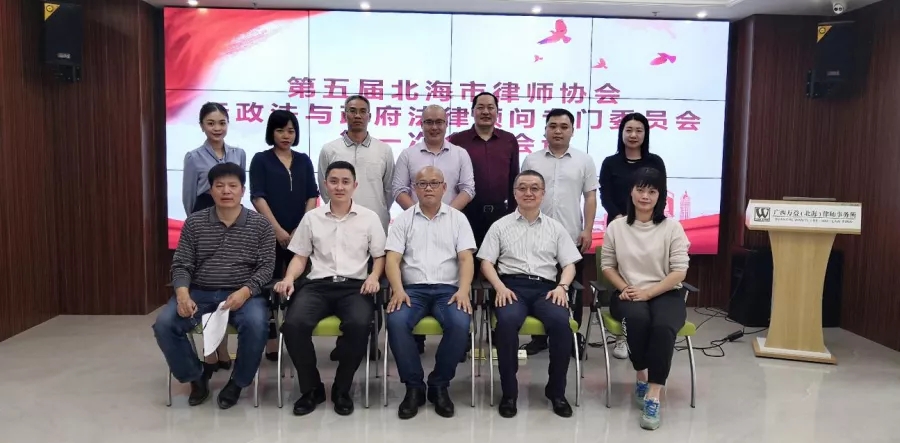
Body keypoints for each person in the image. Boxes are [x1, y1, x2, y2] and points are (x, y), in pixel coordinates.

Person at [154, 162, 275, 409]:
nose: (226, 191)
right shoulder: (194, 223)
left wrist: (245, 292)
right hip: (200, 292)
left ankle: (238, 382)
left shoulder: (261, 225)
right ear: (210, 191)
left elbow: (265, 268)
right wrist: (183, 294)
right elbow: (181, 264)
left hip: (244, 294)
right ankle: (195, 377)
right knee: (165, 324)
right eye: (219, 186)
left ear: (243, 190)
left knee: (256, 324)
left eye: (232, 186)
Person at [275, 161, 386, 417]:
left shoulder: (369, 218)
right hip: (317, 286)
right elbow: (300, 256)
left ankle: (342, 388)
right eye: (334, 181)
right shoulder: (312, 218)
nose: (339, 187)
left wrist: (374, 276)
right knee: (293, 325)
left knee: (360, 324)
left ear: (355, 185)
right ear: (325, 185)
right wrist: (289, 277)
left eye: (345, 182)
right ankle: (311, 388)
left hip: (355, 287)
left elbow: (379, 256)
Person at [477, 170, 582, 419]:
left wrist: (562, 287)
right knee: (506, 323)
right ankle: (509, 393)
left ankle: (556, 392)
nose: (528, 193)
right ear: (514, 193)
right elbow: (486, 263)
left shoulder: (555, 228)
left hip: (547, 289)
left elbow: (569, 264)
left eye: (535, 188)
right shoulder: (500, 226)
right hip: (511, 288)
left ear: (543, 194)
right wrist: (499, 287)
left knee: (561, 324)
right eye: (522, 188)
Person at [600, 167, 690, 431]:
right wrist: (625, 288)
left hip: (665, 292)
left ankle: (653, 395)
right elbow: (607, 266)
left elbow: (679, 271)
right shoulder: (616, 227)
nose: (645, 196)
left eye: (652, 191)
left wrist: (648, 293)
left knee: (663, 327)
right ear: (631, 192)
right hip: (628, 292)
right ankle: (641, 374)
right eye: (640, 189)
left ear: (660, 195)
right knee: (637, 320)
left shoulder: (672, 228)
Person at [384, 166, 476, 420]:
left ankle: (439, 385)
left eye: (434, 183)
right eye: (422, 183)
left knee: (460, 323)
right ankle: (414, 387)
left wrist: (464, 291)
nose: (428, 188)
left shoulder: (458, 219)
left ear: (444, 188)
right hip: (412, 291)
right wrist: (398, 290)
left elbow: (466, 259)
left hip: (448, 290)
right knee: (396, 321)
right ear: (414, 188)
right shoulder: (403, 220)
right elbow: (392, 260)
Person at [392, 104, 476, 353]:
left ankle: (443, 373)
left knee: (458, 323)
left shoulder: (460, 154)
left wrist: (444, 212)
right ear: (421, 124)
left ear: (446, 124)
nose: (434, 126)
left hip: (450, 224)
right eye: (429, 122)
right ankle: (414, 364)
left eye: (439, 122)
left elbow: (468, 188)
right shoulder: (408, 154)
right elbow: (399, 189)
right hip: (415, 223)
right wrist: (420, 212)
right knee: (400, 323)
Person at [318, 94, 394, 361]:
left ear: (370, 116)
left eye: (363, 111)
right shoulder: (330, 149)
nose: (357, 115)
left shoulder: (384, 150)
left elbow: (388, 190)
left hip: (375, 229)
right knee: (346, 288)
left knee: (375, 287)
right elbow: (324, 189)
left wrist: (372, 215)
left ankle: (371, 341)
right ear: (344, 114)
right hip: (339, 229)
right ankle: (347, 342)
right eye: (352, 110)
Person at [520, 108, 597, 358]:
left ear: (572, 131)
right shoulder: (532, 160)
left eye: (564, 127)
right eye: (552, 126)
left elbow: (590, 196)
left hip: (571, 235)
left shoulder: (584, 160)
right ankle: (539, 338)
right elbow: (522, 194)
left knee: (572, 288)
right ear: (545, 130)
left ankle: (571, 335)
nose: (558, 131)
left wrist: (587, 229)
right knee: (539, 285)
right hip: (535, 235)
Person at [180, 102, 247, 371]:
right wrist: (196, 223)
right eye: (210, 123)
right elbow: (188, 196)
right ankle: (210, 351)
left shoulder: (239, 153)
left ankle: (222, 348)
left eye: (221, 123)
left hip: (232, 215)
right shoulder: (193, 157)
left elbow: (240, 187)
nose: (217, 128)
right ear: (202, 126)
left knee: (227, 279)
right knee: (207, 281)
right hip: (204, 214)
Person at [249, 110, 319, 361]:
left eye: (291, 130)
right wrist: (277, 230)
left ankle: (296, 335)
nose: (286, 135)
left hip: (300, 232)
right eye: (280, 130)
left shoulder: (303, 160)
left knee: (299, 284)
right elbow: (257, 196)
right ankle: (271, 342)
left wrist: (301, 227)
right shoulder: (261, 160)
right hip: (268, 233)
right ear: (272, 132)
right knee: (268, 286)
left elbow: (312, 194)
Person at [599, 112, 668, 360]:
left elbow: (661, 192)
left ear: (645, 134)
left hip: (650, 225)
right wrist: (621, 218)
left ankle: (650, 328)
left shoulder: (655, 161)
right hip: (620, 225)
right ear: (621, 133)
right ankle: (624, 333)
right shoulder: (611, 162)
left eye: (639, 130)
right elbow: (605, 195)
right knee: (622, 273)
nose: (633, 135)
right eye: (628, 130)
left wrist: (649, 218)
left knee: (648, 270)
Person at [447, 92, 519, 247]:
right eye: (480, 107)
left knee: (500, 259)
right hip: (467, 214)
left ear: (497, 112)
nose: (485, 112)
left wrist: (514, 213)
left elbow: (514, 178)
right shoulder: (458, 140)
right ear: (472, 112)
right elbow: (452, 178)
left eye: (490, 108)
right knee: (467, 258)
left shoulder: (509, 140)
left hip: (501, 215)